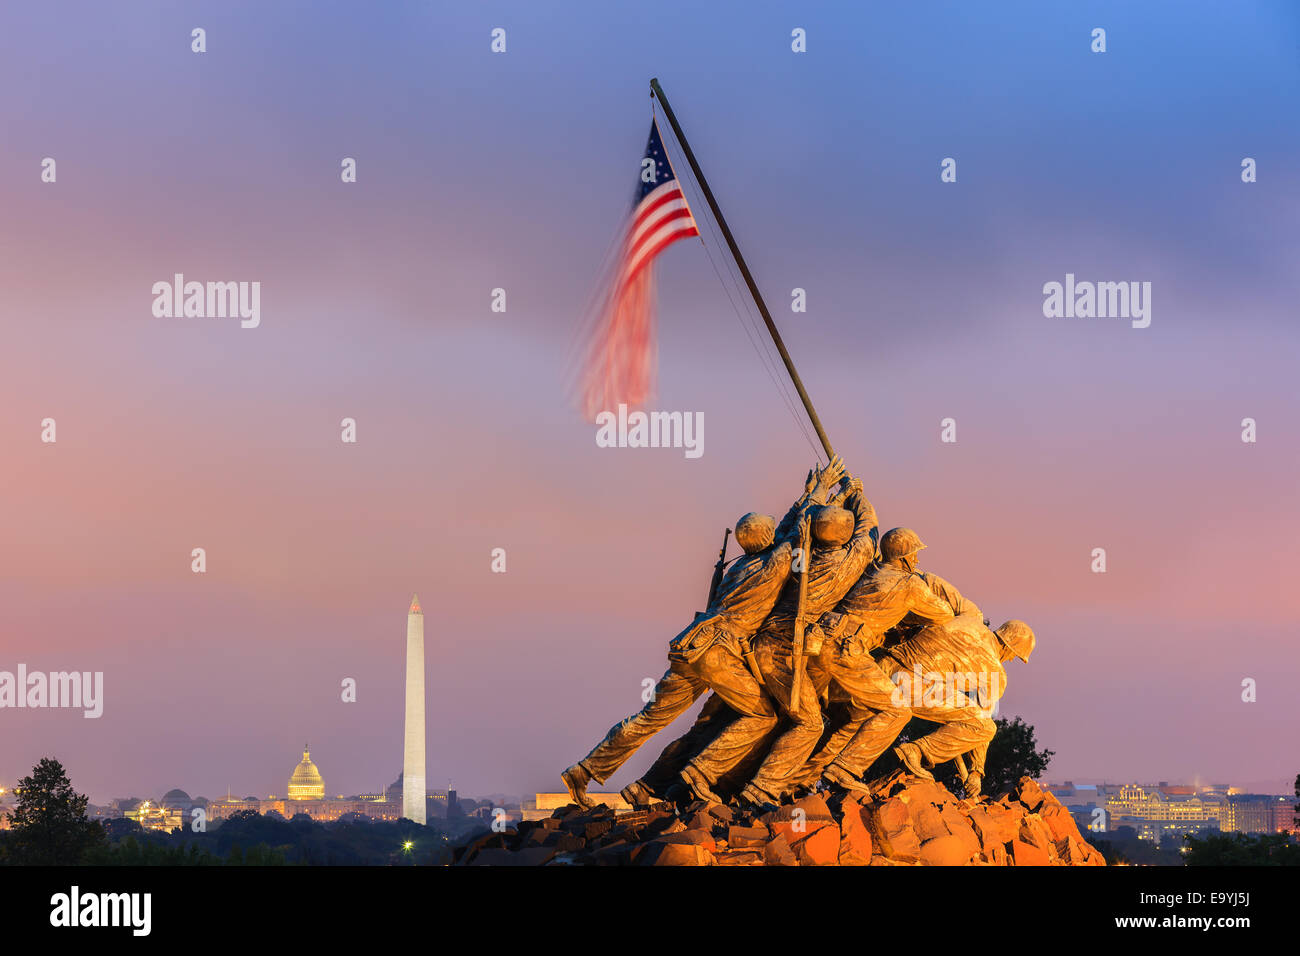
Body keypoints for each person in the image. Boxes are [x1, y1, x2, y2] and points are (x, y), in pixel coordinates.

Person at [560, 457, 847, 808]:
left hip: (690, 644)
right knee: (762, 715)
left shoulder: (739, 565)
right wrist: (818, 492)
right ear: (767, 539)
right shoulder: (774, 565)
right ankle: (699, 774)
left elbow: (786, 528)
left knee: (649, 718)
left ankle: (585, 769)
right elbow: (798, 528)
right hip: (718, 651)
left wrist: (809, 492)